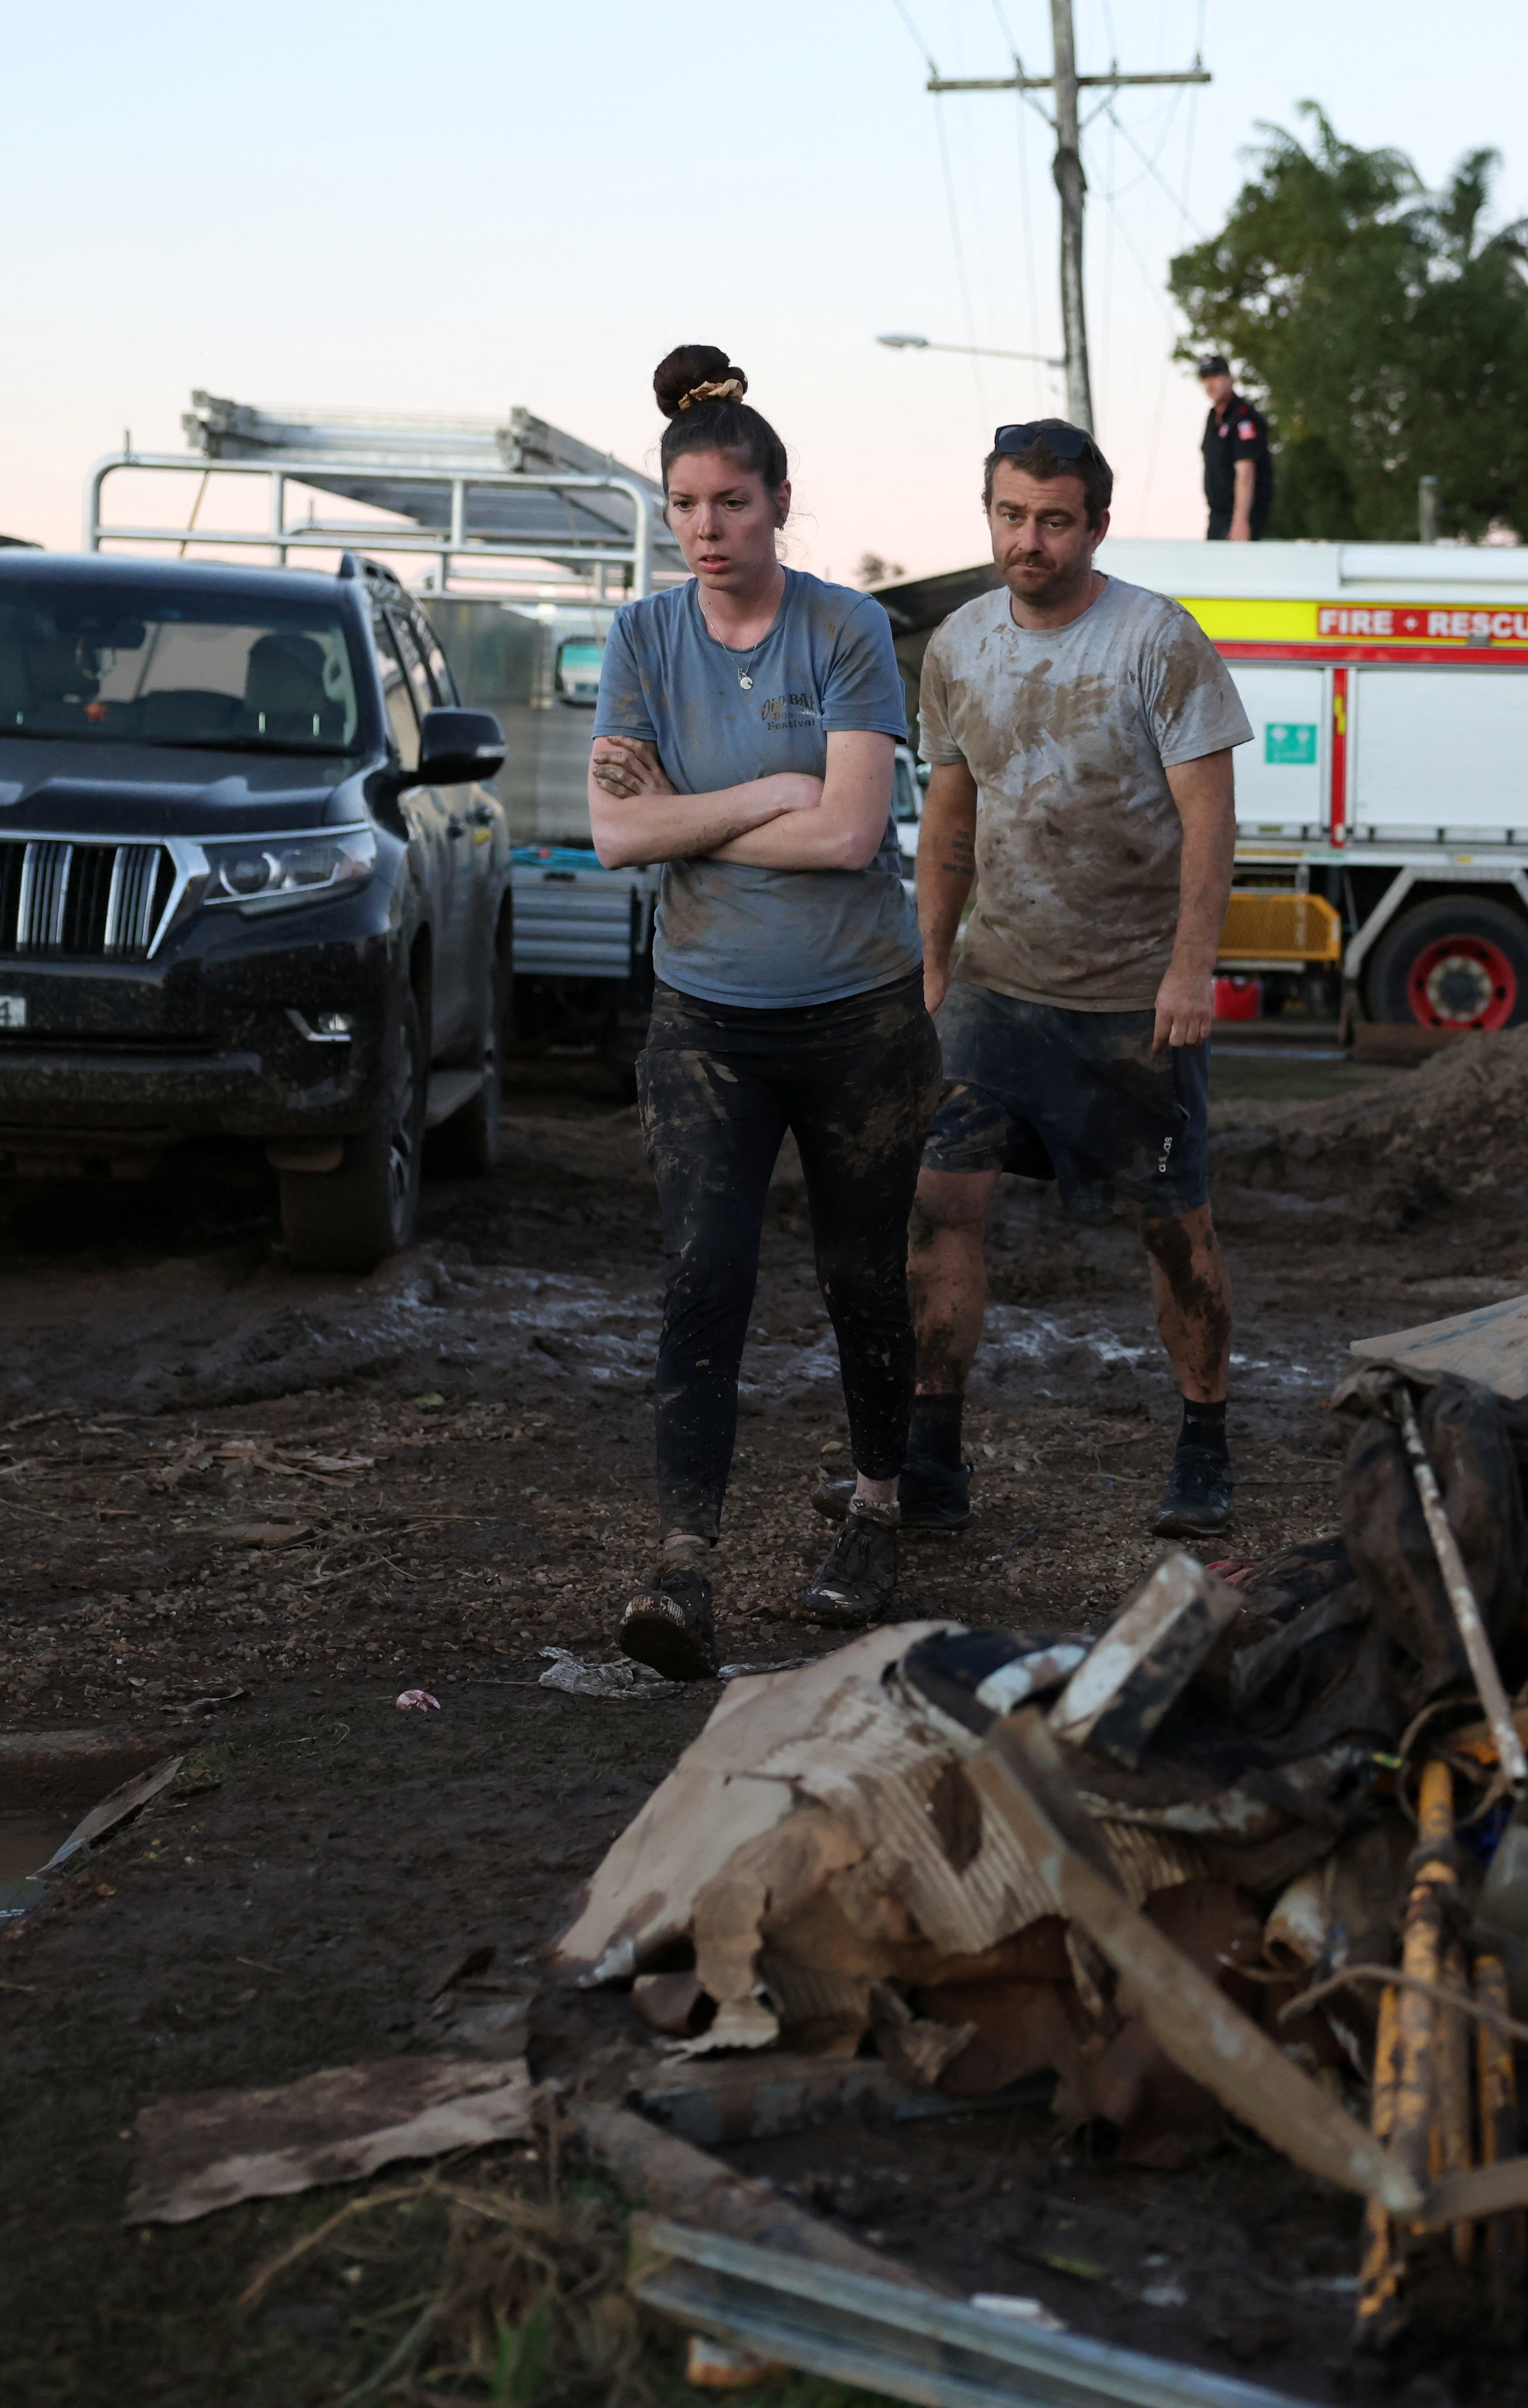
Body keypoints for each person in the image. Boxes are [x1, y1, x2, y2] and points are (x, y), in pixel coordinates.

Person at [585, 344, 939, 1671]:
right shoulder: (643, 633)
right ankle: (685, 1568)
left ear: (781, 499)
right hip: (707, 1022)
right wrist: (761, 797)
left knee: (861, 1273)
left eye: (732, 502)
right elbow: (614, 838)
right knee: (705, 1275)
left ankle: (875, 1506)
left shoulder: (844, 629)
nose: (708, 528)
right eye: (686, 506)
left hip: (860, 1016)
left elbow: (853, 837)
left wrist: (686, 817)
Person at [906, 420, 1253, 1538]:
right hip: (994, 990)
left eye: (1055, 520)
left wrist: (1191, 972)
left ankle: (1204, 1445)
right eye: (1012, 515)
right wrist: (931, 968)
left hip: (1131, 1001)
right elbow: (947, 821)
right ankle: (934, 1458)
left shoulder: (1157, 640)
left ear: (1096, 525)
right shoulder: (958, 646)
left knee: (1171, 1227)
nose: (1031, 540)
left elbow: (1211, 820)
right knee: (940, 1206)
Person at [1197, 356, 1272, 542]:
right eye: (1205, 379)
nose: (1210, 384)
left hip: (1241, 515)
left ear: (1230, 378)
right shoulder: (1214, 417)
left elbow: (1246, 472)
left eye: (1215, 377)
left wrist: (1240, 522)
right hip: (1218, 514)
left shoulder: (1243, 417)